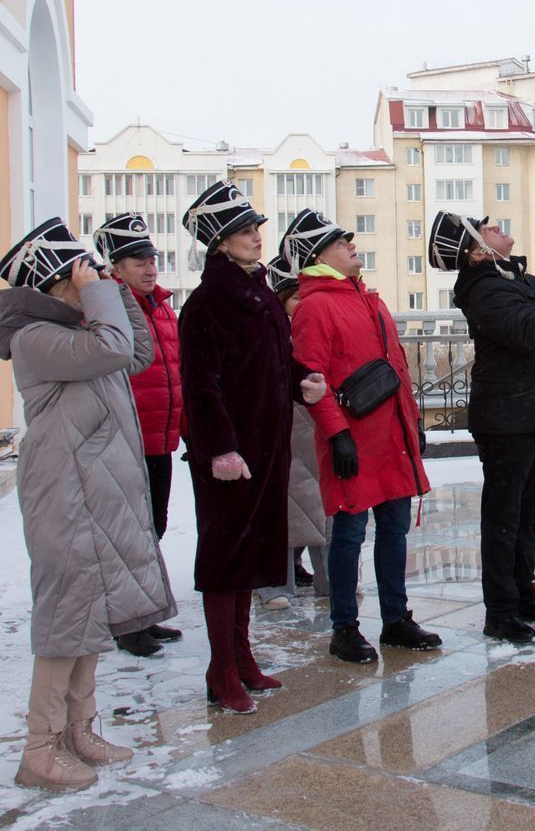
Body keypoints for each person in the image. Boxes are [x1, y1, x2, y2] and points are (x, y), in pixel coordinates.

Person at [0, 217, 178, 791]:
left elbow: (138, 349)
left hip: (96, 493)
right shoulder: (37, 339)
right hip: (65, 495)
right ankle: (39, 749)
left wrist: (111, 288)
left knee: (92, 616)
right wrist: (101, 291)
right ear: (56, 279)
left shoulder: (85, 327)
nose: (94, 275)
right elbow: (116, 346)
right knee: (65, 621)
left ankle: (80, 729)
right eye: (84, 270)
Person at [179, 181, 327, 715]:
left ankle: (242, 658)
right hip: (230, 457)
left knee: (247, 559)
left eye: (255, 229)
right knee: (225, 560)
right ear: (219, 242)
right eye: (244, 231)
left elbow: (273, 360)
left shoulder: (260, 291)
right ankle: (221, 672)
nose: (256, 238)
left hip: (266, 447)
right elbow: (201, 384)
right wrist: (220, 449)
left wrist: (300, 380)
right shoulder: (205, 303)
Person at [432, 212, 535, 644]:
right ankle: (501, 612)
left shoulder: (511, 277)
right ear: (476, 251)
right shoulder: (486, 289)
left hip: (528, 413)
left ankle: (522, 593)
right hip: (507, 420)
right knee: (505, 520)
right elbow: (532, 332)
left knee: (528, 515)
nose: (497, 227)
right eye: (486, 229)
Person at [286, 208, 441, 663]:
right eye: (340, 241)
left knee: (394, 530)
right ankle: (344, 628)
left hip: (391, 437)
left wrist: (412, 422)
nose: (351, 244)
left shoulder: (369, 300)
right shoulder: (314, 306)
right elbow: (309, 381)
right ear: (319, 256)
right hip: (353, 438)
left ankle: (396, 619)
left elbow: (398, 368)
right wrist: (337, 436)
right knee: (349, 533)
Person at [94, 211, 184, 657]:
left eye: (151, 258)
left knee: (154, 529)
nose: (149, 268)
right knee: (128, 534)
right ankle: (126, 624)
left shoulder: (163, 306)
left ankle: (144, 615)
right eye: (137, 261)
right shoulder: (107, 308)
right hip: (125, 441)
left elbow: (176, 372)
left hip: (160, 439)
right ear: (114, 267)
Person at [257, 252, 331, 608]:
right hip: (285, 430)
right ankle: (275, 583)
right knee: (288, 507)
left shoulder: (316, 326)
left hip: (317, 428)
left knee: (322, 505)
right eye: (296, 297)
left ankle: (330, 578)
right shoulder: (271, 335)